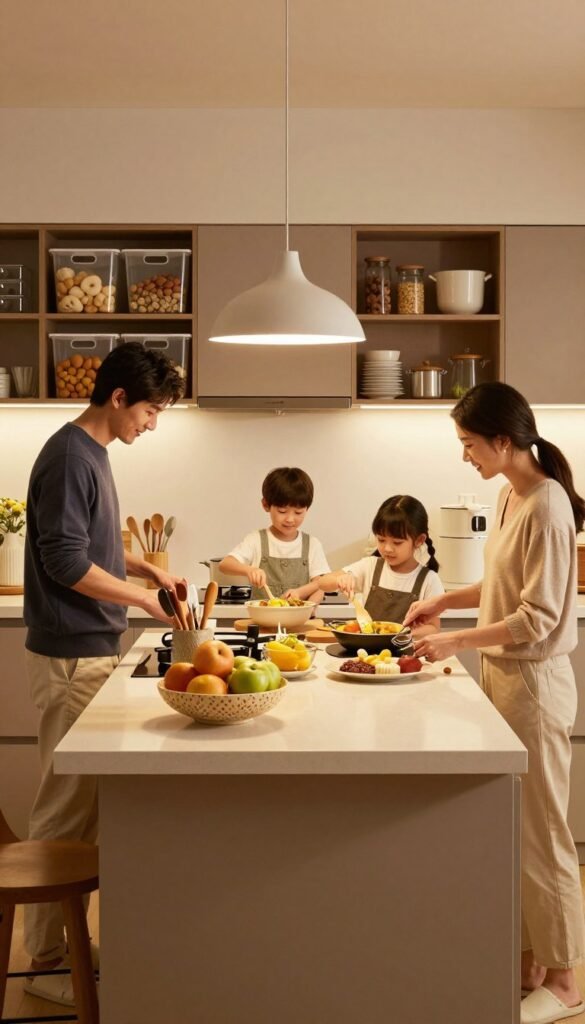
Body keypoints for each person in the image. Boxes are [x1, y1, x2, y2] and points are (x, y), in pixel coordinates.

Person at [403, 382, 585, 1024]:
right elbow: (506, 582)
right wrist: (446, 599)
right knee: (517, 828)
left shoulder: (549, 506)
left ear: (503, 442)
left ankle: (565, 982)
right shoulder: (511, 495)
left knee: (544, 833)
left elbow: (536, 617)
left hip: (534, 683)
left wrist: (453, 639)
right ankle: (532, 962)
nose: (465, 456)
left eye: (469, 444)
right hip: (507, 678)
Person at [22, 341, 185, 1007]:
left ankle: (61, 950)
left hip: (86, 645)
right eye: (149, 410)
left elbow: (88, 541)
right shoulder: (69, 456)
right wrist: (141, 601)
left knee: (83, 807)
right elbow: (63, 560)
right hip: (71, 653)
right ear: (118, 399)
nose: (152, 424)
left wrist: (144, 568)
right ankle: (45, 962)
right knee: (65, 809)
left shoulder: (90, 455)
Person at [316, 495, 443, 636]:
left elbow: (433, 628)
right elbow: (322, 582)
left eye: (397, 542)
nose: (387, 548)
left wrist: (402, 634)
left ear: (419, 540)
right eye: (381, 540)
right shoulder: (370, 566)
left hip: (405, 654)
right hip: (367, 654)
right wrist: (341, 579)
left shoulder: (429, 580)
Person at [219, 466, 329, 603]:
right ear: (266, 505)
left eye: (298, 512)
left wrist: (310, 606)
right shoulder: (256, 540)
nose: (290, 519)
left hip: (300, 620)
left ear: (307, 509)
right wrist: (249, 570)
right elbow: (225, 564)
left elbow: (321, 585)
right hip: (261, 621)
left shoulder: (312, 544)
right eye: (282, 511)